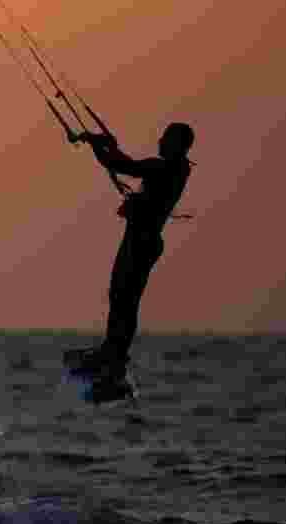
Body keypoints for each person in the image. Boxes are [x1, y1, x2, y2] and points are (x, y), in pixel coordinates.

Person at [70, 122, 195, 384]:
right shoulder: (173, 169)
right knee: (121, 296)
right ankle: (112, 352)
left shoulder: (166, 167)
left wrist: (97, 144)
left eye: (165, 137)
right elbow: (122, 162)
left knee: (124, 297)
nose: (159, 140)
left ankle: (114, 357)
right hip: (143, 239)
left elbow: (122, 166)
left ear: (176, 143)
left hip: (142, 241)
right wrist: (105, 145)